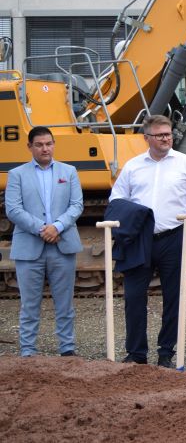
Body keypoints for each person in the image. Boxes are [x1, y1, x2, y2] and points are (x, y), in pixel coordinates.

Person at [109, 114, 186, 368]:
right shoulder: (132, 166)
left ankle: (166, 352)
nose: (166, 138)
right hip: (139, 239)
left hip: (173, 237)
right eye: (160, 135)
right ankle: (136, 353)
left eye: (168, 134)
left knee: (173, 296)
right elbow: (116, 200)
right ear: (147, 138)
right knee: (133, 296)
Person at [6, 126, 83, 357]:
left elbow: (77, 205)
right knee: (29, 304)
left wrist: (57, 226)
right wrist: (43, 230)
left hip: (63, 244)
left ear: (54, 144)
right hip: (30, 247)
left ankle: (67, 349)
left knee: (64, 303)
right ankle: (28, 351)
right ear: (29, 147)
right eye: (39, 144)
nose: (45, 148)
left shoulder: (69, 172)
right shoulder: (17, 174)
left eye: (48, 143)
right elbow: (13, 209)